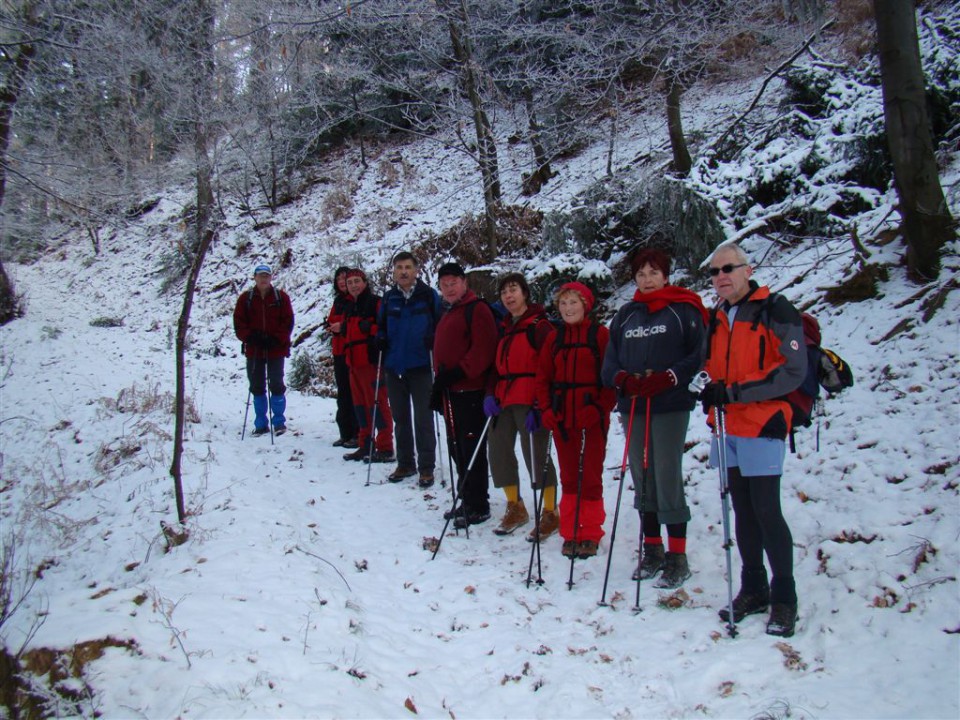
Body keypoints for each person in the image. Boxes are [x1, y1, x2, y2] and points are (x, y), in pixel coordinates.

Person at [700, 242, 807, 638]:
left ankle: (785, 597)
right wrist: (710, 389)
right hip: (727, 427)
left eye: (728, 268)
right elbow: (713, 368)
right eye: (714, 271)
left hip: (763, 424)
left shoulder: (774, 310)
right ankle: (754, 588)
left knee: (766, 510)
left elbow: (793, 371)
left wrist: (734, 392)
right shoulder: (717, 316)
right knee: (741, 511)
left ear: (748, 269)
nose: (721, 276)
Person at [602, 248, 707, 588]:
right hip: (633, 404)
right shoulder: (627, 315)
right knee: (641, 472)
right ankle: (652, 549)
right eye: (641, 274)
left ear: (665, 275)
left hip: (670, 403)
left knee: (666, 473)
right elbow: (610, 362)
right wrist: (623, 380)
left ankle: (678, 555)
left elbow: (699, 353)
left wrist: (670, 377)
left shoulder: (684, 310)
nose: (646, 279)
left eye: (653, 272)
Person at [534, 282, 616, 559]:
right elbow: (543, 377)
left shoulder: (600, 336)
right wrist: (545, 408)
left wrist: (600, 408)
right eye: (563, 303)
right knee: (570, 476)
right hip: (562, 418)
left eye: (574, 302)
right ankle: (571, 530)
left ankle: (590, 531)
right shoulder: (554, 339)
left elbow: (612, 379)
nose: (568, 308)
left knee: (590, 476)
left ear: (586, 305)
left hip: (591, 417)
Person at [483, 273, 559, 538]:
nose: (508, 295)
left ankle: (550, 512)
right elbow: (495, 367)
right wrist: (490, 394)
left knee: (537, 456)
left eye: (513, 289)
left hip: (531, 398)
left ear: (525, 293)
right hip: (504, 397)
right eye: (504, 292)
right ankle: (515, 506)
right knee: (498, 450)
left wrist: (541, 404)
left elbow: (551, 367)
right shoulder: (504, 327)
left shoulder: (540, 326)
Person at [430, 262, 498, 528]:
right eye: (444, 284)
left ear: (464, 283)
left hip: (470, 391)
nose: (448, 288)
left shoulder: (476, 309)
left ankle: (478, 504)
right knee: (457, 447)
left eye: (453, 283)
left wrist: (458, 372)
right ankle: (466, 497)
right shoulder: (449, 311)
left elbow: (484, 349)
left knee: (471, 448)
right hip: (451, 392)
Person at [377, 252, 442, 488]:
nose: (403, 272)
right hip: (394, 367)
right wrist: (380, 338)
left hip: (421, 366)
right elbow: (381, 326)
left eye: (407, 267)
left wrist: (434, 338)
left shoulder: (428, 296)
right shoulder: (388, 298)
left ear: (416, 270)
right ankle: (405, 463)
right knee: (400, 418)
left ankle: (426, 467)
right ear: (393, 272)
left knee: (424, 419)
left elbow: (440, 324)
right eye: (399, 268)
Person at [233, 264, 294, 436]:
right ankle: (261, 423)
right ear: (255, 278)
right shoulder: (246, 299)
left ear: (271, 278)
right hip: (255, 349)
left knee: (276, 384)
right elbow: (239, 323)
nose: (264, 279)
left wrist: (276, 339)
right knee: (257, 385)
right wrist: (251, 337)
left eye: (266, 276)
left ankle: (279, 422)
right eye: (261, 276)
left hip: (276, 349)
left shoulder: (281, 297)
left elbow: (288, 321)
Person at [341, 268, 394, 463]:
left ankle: (385, 447)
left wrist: (370, 328)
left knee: (378, 404)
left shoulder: (375, 303)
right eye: (350, 282)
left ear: (364, 282)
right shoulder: (349, 307)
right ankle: (365, 444)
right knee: (360, 406)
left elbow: (386, 329)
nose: (353, 285)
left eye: (357, 281)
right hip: (353, 363)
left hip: (371, 362)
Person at [326, 266, 358, 448]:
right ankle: (345, 432)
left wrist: (342, 326)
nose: (341, 280)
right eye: (338, 277)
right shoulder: (338, 301)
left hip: (352, 351)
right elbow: (332, 320)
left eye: (344, 277)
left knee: (354, 393)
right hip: (339, 351)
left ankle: (356, 433)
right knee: (343, 393)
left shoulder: (355, 300)